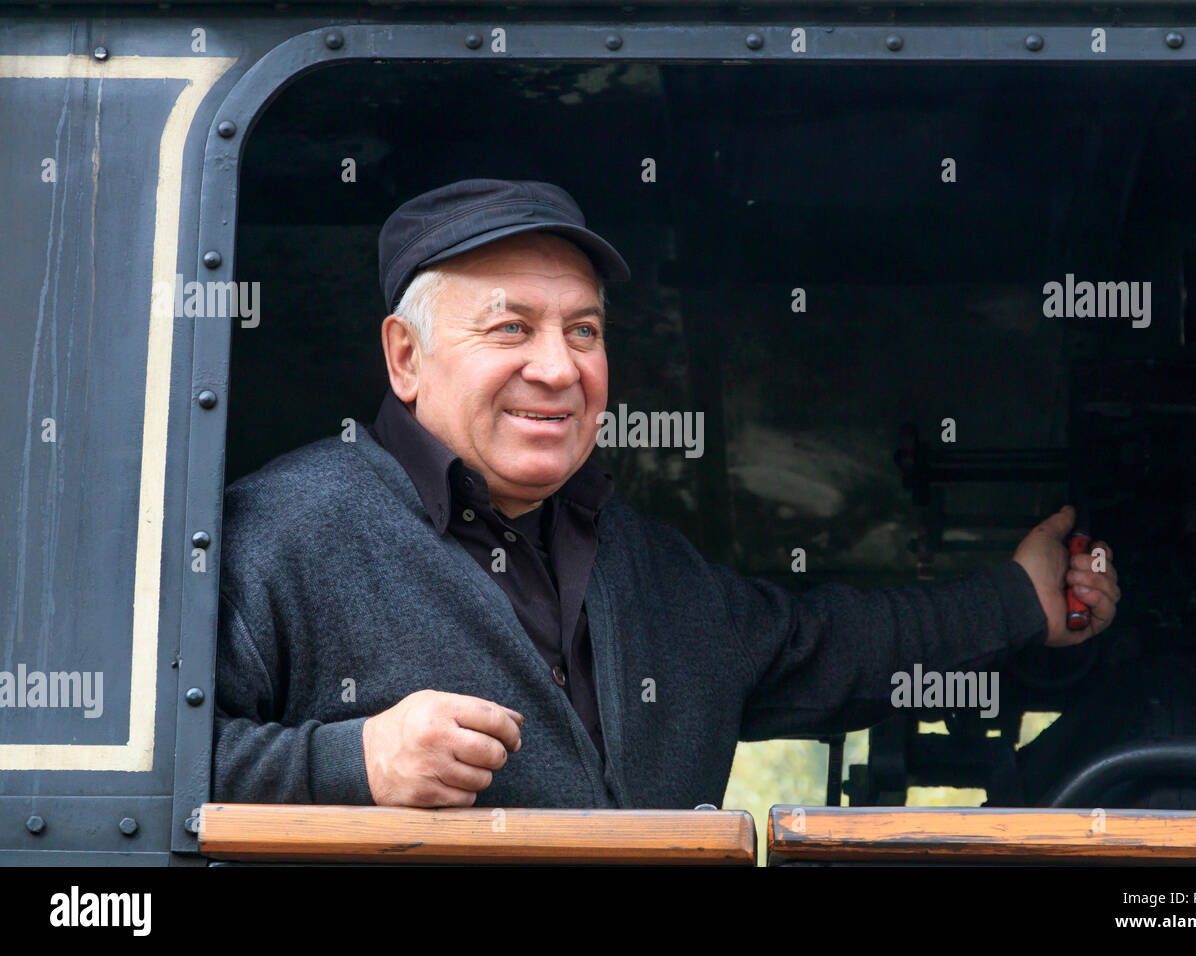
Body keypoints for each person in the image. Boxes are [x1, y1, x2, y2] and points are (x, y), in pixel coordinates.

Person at [212, 178, 1120, 808]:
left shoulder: (649, 566)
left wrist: (1020, 601)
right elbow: (134, 784)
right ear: (405, 358)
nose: (558, 367)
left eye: (584, 329)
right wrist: (349, 761)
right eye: (511, 328)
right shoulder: (286, 527)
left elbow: (833, 647)